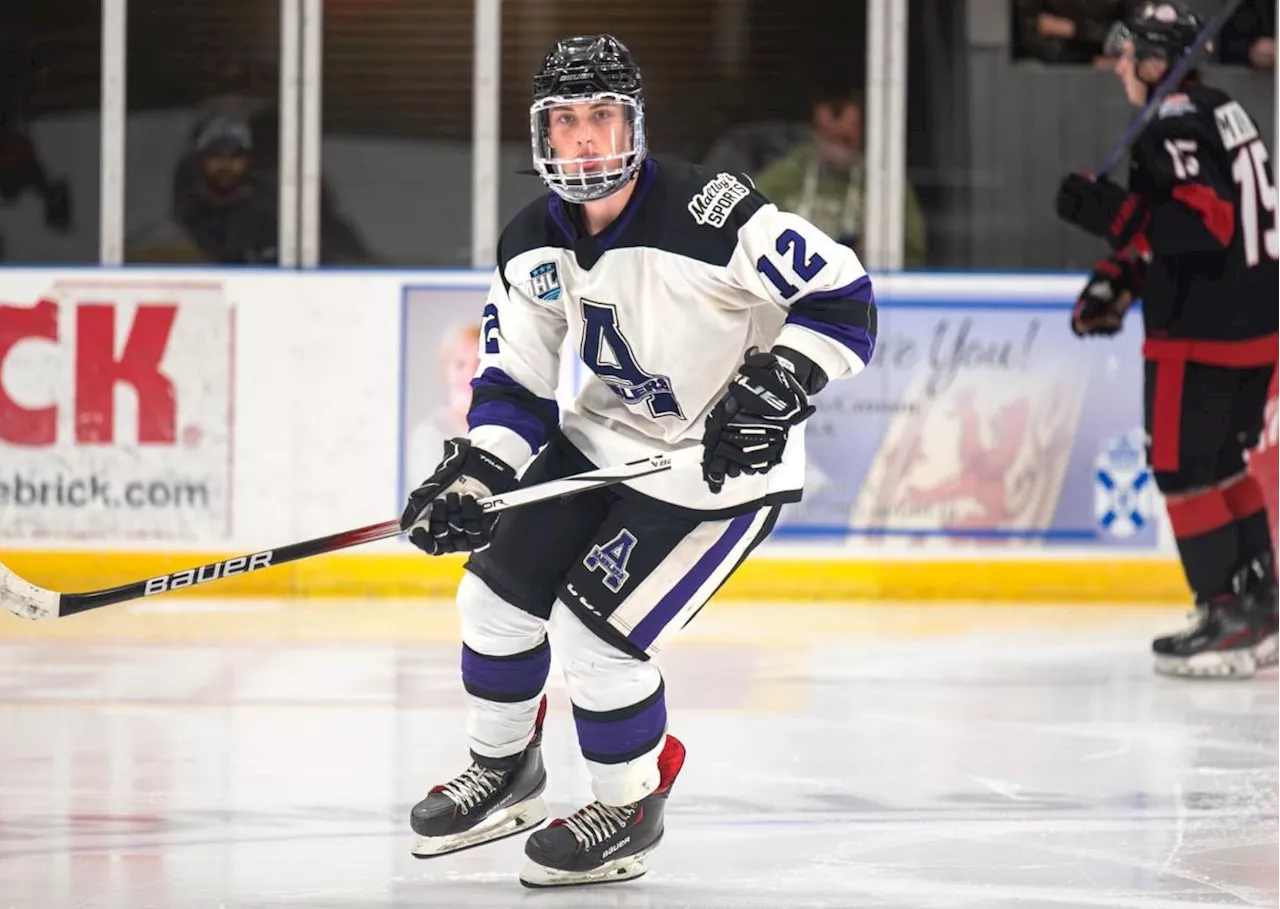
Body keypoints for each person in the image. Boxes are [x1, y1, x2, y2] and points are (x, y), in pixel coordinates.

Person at [397, 35, 876, 888]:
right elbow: (516, 385)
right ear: (543, 133)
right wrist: (477, 475)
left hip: (717, 471)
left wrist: (781, 380)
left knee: (597, 634)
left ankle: (628, 804)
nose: (585, 140)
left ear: (635, 123)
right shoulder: (530, 242)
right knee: (492, 597)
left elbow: (842, 296)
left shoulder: (712, 211)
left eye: (603, 118)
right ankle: (506, 770)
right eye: (568, 121)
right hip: (601, 443)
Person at [1054, 1, 1280, 679]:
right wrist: (1116, 281)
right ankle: (1260, 602)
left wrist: (1105, 214)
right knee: (1223, 464)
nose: (1120, 63)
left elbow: (1196, 227)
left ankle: (1225, 614)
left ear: (1159, 59)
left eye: (1130, 51)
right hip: (1255, 324)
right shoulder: (1222, 111)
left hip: (1200, 333)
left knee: (1184, 471)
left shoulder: (1169, 126)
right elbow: (1178, 233)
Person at [751, 89, 928, 267]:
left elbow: (915, 255)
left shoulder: (885, 182)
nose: (836, 149)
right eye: (828, 138)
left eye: (845, 140)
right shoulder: (787, 174)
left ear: (863, 135)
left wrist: (880, 252)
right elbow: (748, 227)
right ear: (814, 134)